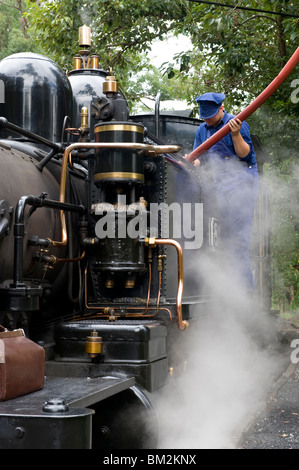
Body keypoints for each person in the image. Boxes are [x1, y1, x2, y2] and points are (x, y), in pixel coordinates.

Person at [185, 92, 259, 291]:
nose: (207, 120)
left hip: (241, 186)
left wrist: (235, 135)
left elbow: (244, 156)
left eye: (210, 115)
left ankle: (245, 295)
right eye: (204, 116)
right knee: (223, 242)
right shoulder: (202, 130)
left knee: (238, 244)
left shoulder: (237, 123)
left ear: (221, 109)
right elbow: (201, 160)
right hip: (219, 188)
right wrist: (191, 162)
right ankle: (226, 291)